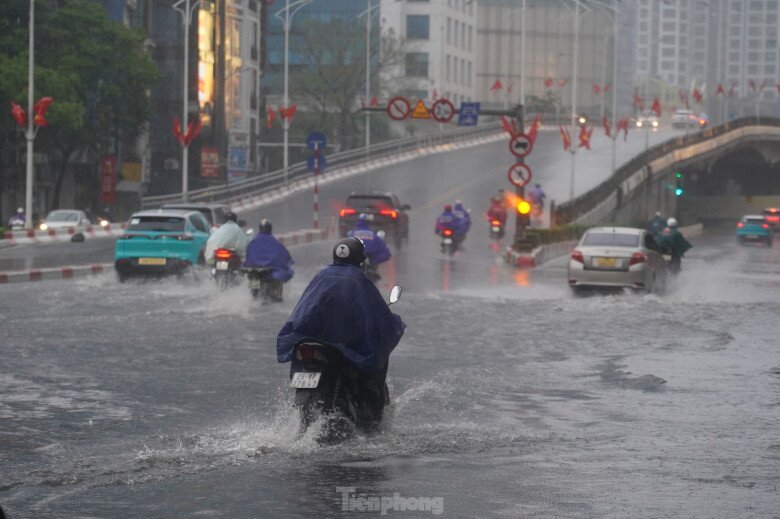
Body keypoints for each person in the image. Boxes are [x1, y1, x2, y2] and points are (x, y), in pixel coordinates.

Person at [277, 237, 406, 411]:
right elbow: (377, 313)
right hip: (343, 344)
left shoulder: (322, 275)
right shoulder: (359, 280)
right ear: (359, 259)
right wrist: (394, 322)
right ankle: (372, 414)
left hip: (312, 338)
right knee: (373, 362)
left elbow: (304, 307)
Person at [243, 219, 294, 299]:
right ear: (270, 228)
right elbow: (283, 256)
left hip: (254, 270)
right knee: (279, 278)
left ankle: (254, 294)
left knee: (252, 279)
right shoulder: (275, 242)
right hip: (268, 272)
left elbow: (248, 257)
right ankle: (278, 294)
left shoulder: (253, 242)